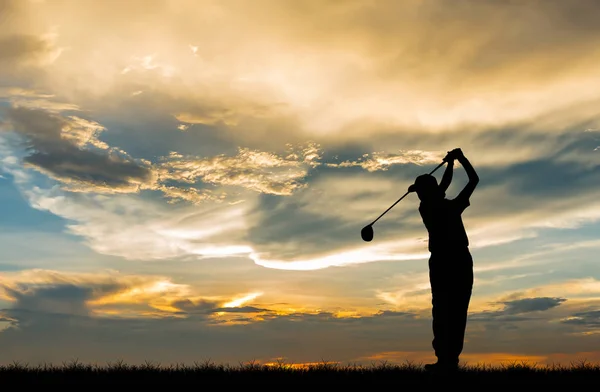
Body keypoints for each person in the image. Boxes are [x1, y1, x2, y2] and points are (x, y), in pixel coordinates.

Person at [408, 148, 479, 373]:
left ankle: (447, 361)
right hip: (454, 260)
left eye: (420, 191)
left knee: (445, 310)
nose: (419, 195)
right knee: (450, 310)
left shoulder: (427, 205)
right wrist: (458, 159)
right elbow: (473, 179)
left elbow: (442, 187)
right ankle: (447, 361)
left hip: (444, 261)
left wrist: (451, 163)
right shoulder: (445, 206)